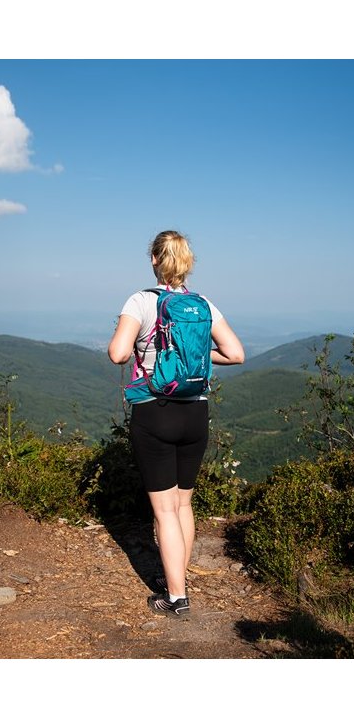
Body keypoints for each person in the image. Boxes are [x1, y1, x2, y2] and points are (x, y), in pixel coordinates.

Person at [107, 230, 245, 617]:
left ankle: (176, 597)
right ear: (187, 262)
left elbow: (118, 353)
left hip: (155, 410)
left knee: (164, 511)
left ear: (154, 259)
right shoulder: (203, 304)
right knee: (183, 504)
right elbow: (236, 354)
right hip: (195, 413)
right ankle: (178, 580)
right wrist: (196, 353)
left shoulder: (141, 301)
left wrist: (142, 346)